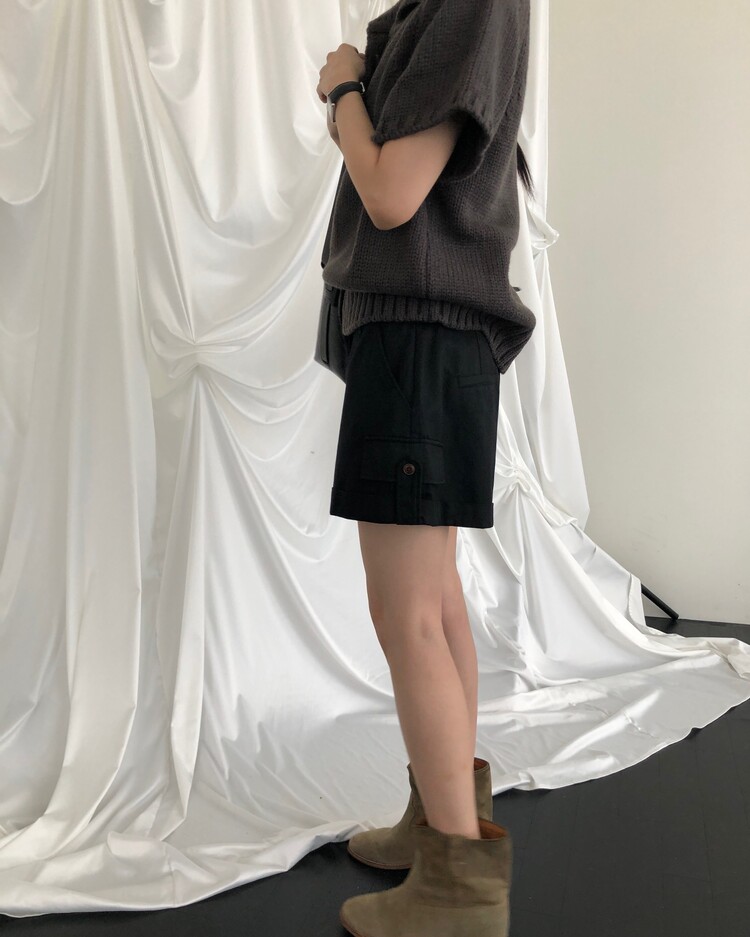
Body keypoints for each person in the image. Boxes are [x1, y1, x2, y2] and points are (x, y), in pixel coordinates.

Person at [316, 1, 535, 934]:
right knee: (435, 601)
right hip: (434, 340)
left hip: (417, 338)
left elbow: (392, 192)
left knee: (406, 611)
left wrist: (343, 89)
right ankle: (440, 817)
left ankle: (457, 887)